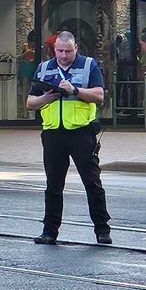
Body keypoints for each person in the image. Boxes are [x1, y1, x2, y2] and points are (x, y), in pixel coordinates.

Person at [26, 31, 111, 246]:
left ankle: (102, 230)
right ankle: (49, 232)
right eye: (60, 51)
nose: (63, 55)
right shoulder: (45, 68)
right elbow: (30, 102)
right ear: (54, 49)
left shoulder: (88, 65)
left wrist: (75, 90)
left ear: (76, 49)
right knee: (53, 185)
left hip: (81, 132)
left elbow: (99, 96)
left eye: (68, 51)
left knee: (92, 182)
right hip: (53, 133)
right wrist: (46, 97)